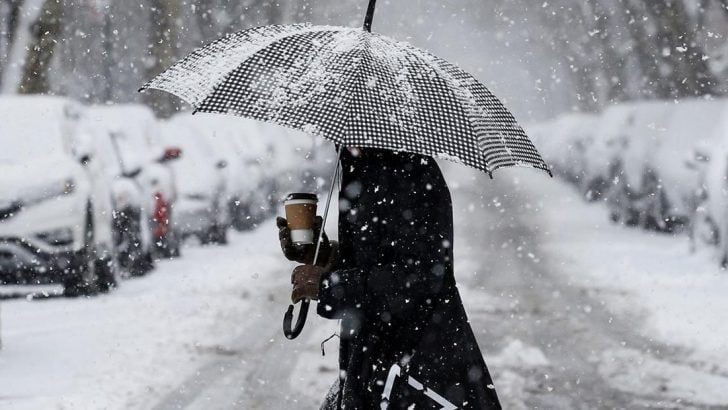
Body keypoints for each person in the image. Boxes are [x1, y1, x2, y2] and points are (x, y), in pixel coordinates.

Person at [277, 147, 501, 409]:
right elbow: (377, 257)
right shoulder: (364, 165)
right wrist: (322, 255)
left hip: (413, 365)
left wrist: (330, 286)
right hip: (377, 362)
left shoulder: (407, 172)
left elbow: (420, 277)